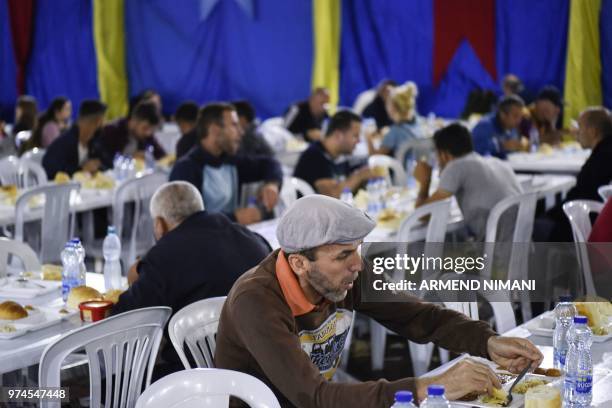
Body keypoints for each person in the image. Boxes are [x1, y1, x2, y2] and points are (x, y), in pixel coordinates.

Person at [215, 195, 544, 407]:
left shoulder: (346, 274)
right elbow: (315, 397)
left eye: (357, 250)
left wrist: (487, 341)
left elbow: (417, 316)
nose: (357, 264)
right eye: (344, 255)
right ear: (300, 263)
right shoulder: (256, 301)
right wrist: (430, 385)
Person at [112, 181, 271, 377]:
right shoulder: (254, 239)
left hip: (196, 379)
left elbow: (122, 319)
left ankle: (62, 392)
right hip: (262, 374)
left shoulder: (162, 257)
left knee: (110, 384)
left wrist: (134, 280)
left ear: (159, 225)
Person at [169, 103, 283, 225]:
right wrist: (235, 218)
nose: (241, 132)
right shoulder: (186, 169)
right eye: (234, 125)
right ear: (215, 129)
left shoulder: (230, 161)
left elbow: (270, 164)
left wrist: (272, 184)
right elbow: (187, 221)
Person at [412, 123, 522, 240]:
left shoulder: (455, 166)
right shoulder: (497, 163)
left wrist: (425, 182)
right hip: (522, 247)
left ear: (444, 155)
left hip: (494, 251)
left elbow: (423, 215)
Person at [535, 107, 612, 242]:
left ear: (592, 131)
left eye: (579, 127)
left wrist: (546, 216)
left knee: (533, 225)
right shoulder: (605, 152)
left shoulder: (601, 159)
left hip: (589, 227)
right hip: (598, 221)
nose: (575, 133)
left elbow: (580, 197)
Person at [293, 110, 372, 198]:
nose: (359, 141)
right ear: (338, 135)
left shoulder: (340, 155)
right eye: (355, 136)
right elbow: (332, 195)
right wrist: (359, 176)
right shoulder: (314, 157)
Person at [42, 100, 107, 179]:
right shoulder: (64, 143)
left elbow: (107, 163)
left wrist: (97, 165)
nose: (102, 126)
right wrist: (81, 169)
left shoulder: (93, 143)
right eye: (100, 123)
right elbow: (50, 170)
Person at [367, 81, 426, 158]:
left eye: (387, 103)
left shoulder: (395, 132)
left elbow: (375, 158)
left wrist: (368, 139)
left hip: (401, 169)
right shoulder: (419, 123)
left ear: (393, 108)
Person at [98, 101, 165, 166]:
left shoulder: (146, 135)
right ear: (134, 121)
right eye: (145, 128)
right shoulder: (112, 131)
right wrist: (129, 157)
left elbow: (162, 156)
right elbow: (103, 161)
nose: (148, 133)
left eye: (151, 130)